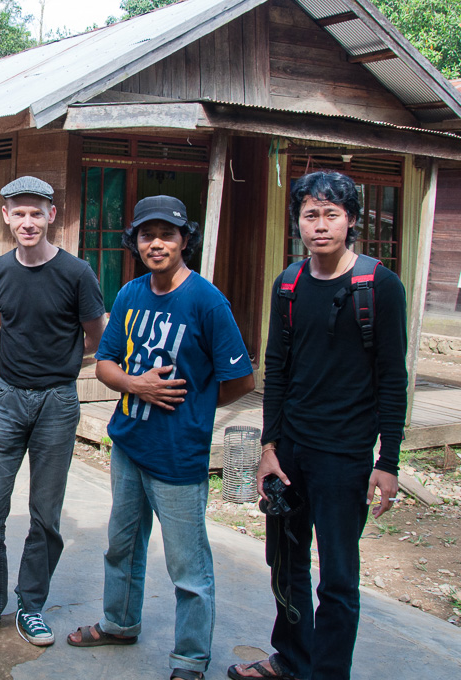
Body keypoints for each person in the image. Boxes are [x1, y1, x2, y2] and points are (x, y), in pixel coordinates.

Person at [66, 196, 255, 680]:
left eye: (167, 234)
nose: (156, 243)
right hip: (129, 444)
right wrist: (136, 384)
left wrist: (194, 408)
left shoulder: (207, 301)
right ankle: (119, 623)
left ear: (184, 240)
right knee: (122, 546)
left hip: (178, 453)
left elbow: (241, 380)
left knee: (187, 566)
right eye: (147, 235)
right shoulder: (130, 294)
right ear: (136, 242)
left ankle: (189, 660)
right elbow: (106, 362)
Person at [228, 171, 407, 680]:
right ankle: (292, 657)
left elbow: (393, 379)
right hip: (292, 450)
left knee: (339, 578)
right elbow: (277, 371)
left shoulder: (378, 286)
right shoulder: (289, 284)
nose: (320, 225)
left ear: (350, 221)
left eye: (332, 214)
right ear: (298, 223)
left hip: (345, 457)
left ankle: (328, 673)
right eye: (311, 214)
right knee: (286, 563)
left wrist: (387, 461)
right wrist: (269, 446)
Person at [0, 176, 106, 647]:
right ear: (5, 216)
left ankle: (31, 605)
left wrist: (58, 370)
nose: (27, 221)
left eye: (35, 212)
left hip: (58, 404)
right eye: (18, 213)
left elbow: (95, 337)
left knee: (45, 515)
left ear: (51, 216)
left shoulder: (77, 273)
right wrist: (0, 388)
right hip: (6, 401)